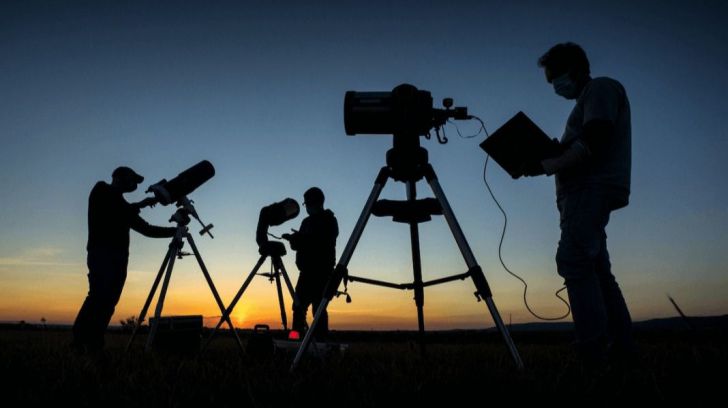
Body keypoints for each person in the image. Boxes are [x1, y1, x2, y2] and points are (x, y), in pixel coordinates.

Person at [522, 42, 636, 368]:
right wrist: (549, 156)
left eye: (555, 77)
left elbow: (596, 138)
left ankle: (592, 353)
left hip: (589, 190)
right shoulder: (587, 100)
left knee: (573, 261)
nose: (554, 86)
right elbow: (583, 141)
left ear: (574, 69)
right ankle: (621, 349)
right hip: (585, 193)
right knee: (598, 272)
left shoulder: (600, 89)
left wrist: (548, 164)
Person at [71, 166, 176, 353]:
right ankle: (79, 342)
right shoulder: (101, 189)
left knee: (108, 302)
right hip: (102, 255)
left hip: (119, 259)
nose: (135, 185)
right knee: (97, 298)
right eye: (133, 180)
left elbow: (147, 229)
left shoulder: (125, 207)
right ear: (119, 178)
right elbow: (116, 210)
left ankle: (94, 343)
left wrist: (174, 232)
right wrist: (139, 206)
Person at [283, 187, 338, 339]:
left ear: (314, 203)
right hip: (305, 273)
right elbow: (299, 245)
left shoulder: (329, 221)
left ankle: (320, 342)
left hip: (322, 273)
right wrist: (293, 240)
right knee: (298, 307)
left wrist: (299, 239)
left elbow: (319, 242)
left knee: (318, 309)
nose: (306, 207)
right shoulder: (306, 222)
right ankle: (295, 338)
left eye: (307, 204)